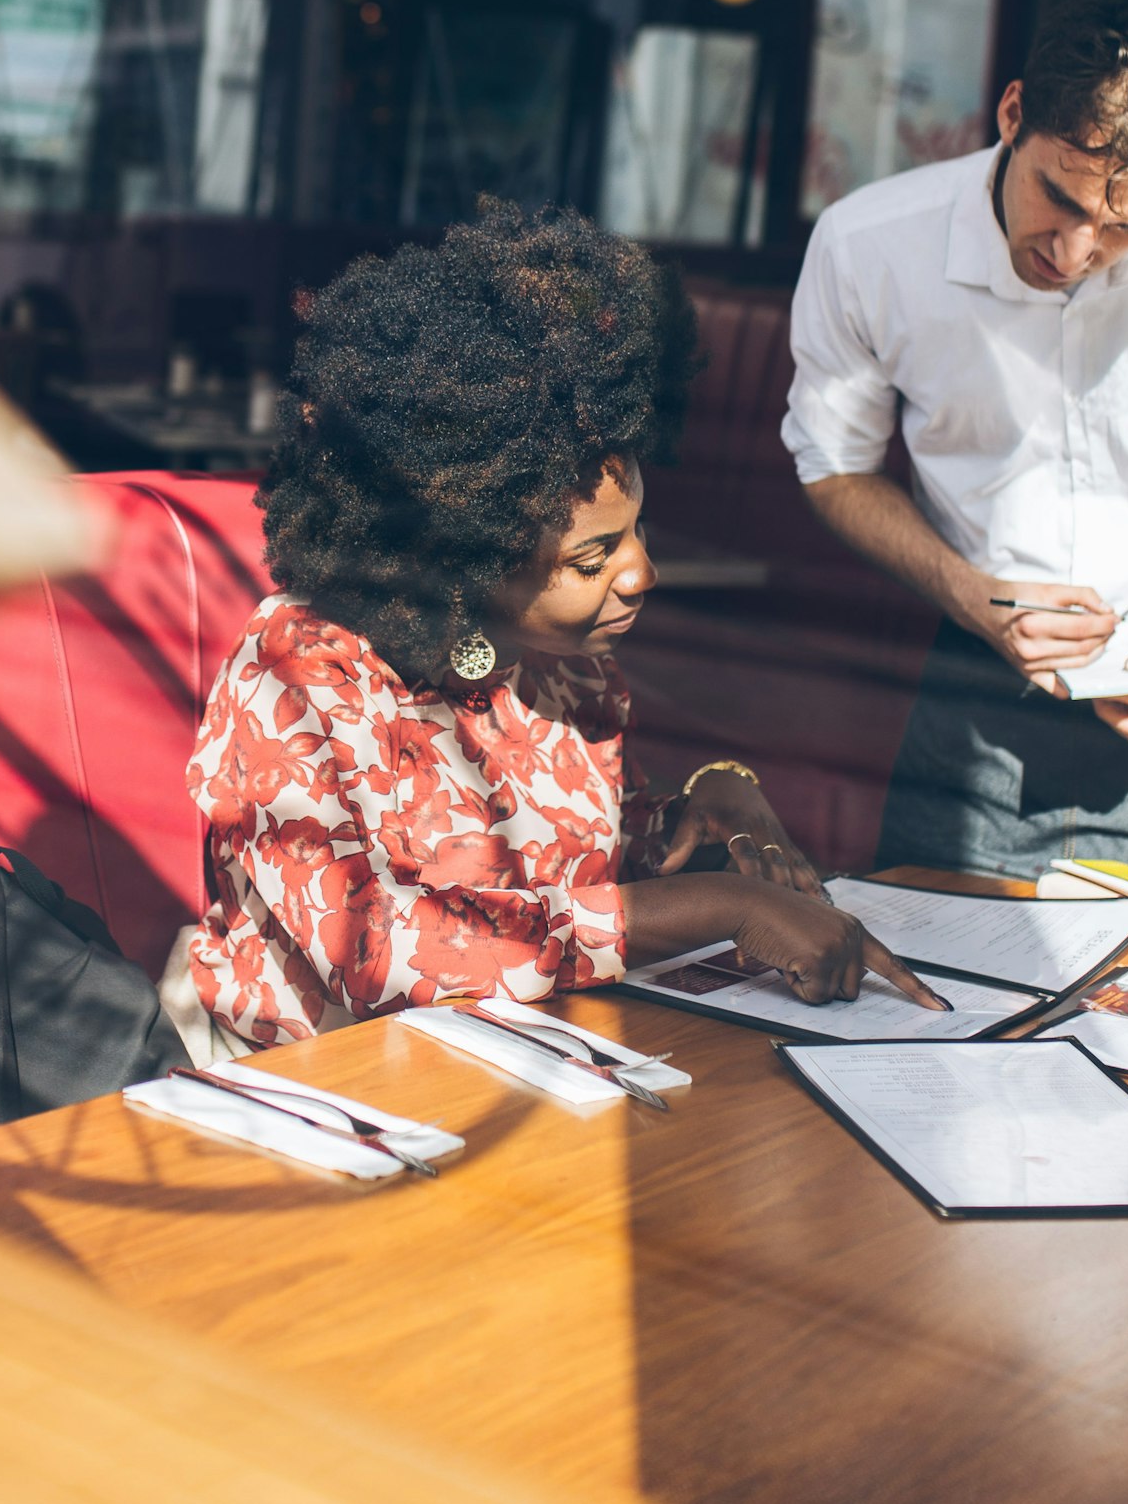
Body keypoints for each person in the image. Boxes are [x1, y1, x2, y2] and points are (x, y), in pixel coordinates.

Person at [160, 205, 940, 1057]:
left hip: (511, 1066)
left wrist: (703, 807)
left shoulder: (565, 669)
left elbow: (581, 866)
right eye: (594, 555)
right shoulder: (297, 673)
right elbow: (376, 954)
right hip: (306, 1090)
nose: (641, 573)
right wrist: (723, 908)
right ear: (469, 550)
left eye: (638, 530)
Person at [784, 0, 1128, 897]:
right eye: (1061, 196)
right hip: (976, 713)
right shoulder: (867, 245)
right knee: (930, 1016)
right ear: (1013, 112)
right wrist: (973, 598)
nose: (1076, 249)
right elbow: (834, 467)